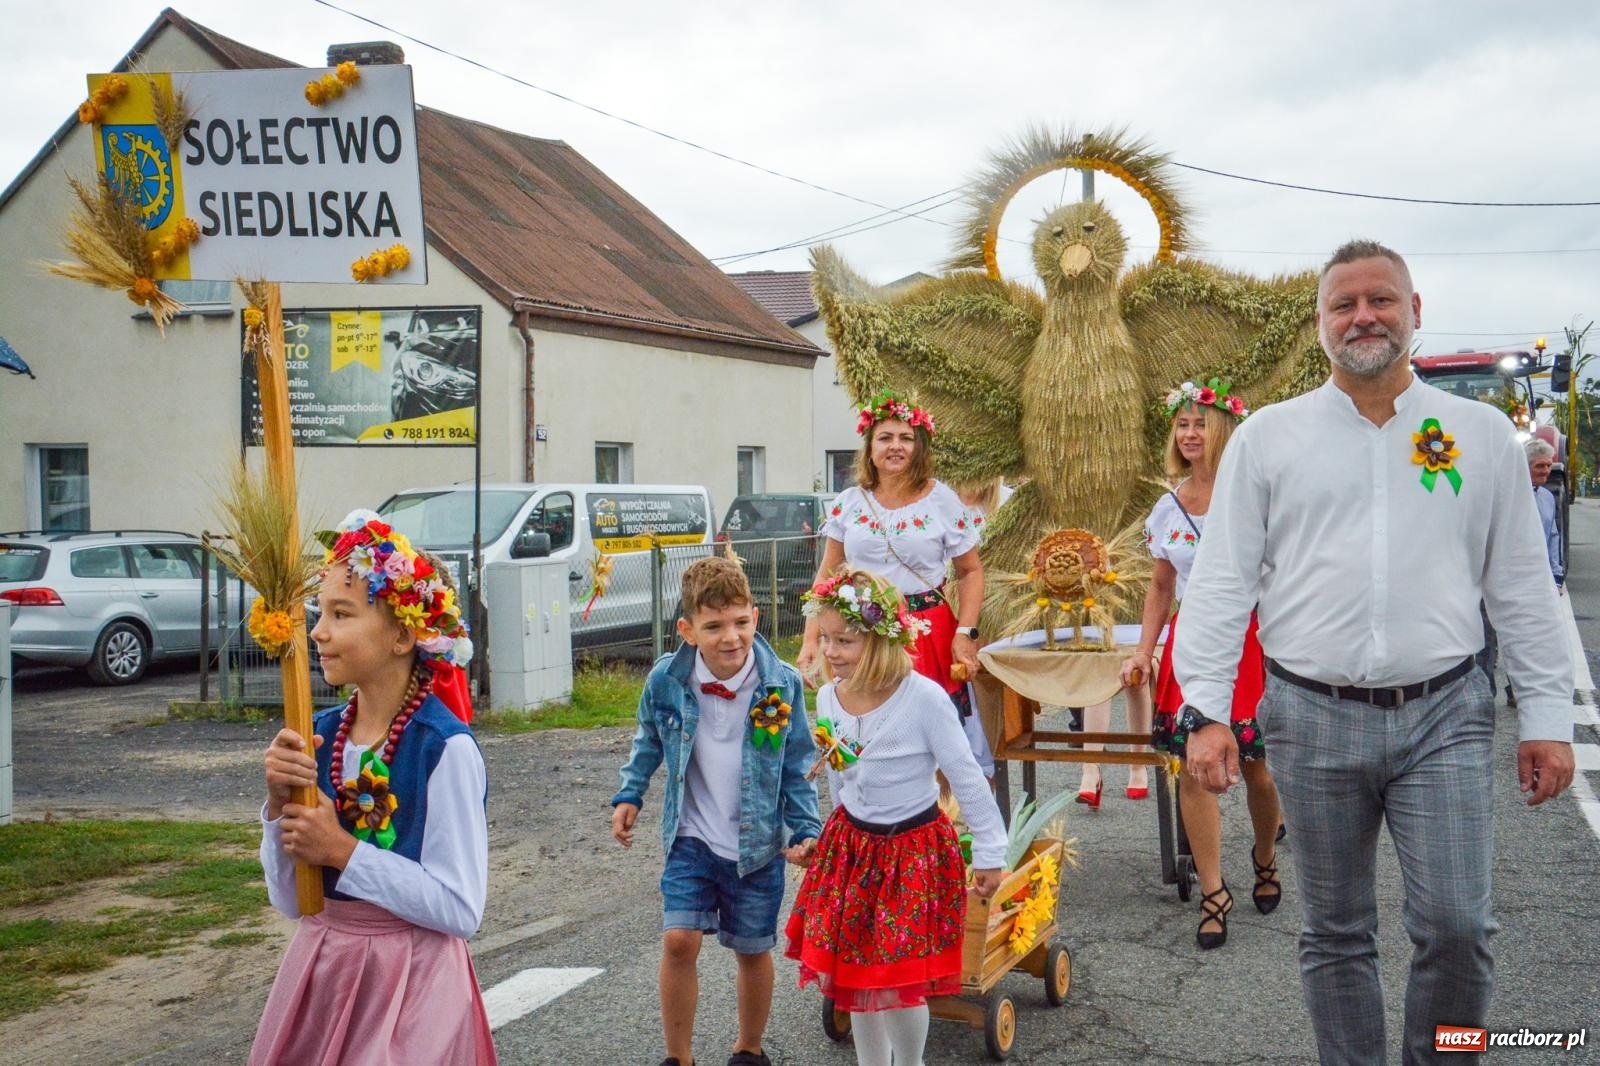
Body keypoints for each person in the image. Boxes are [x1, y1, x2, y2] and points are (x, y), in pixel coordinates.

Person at [1175, 239, 1575, 1065]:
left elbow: (1523, 590)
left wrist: (1547, 716)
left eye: (1381, 300)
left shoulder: (1481, 437)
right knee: (1335, 931)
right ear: (1321, 324)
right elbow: (1219, 586)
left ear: (1415, 312)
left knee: (1459, 927)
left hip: (1446, 713)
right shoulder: (1268, 440)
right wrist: (1205, 712)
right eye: (1344, 304)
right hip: (1310, 717)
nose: (1364, 316)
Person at [252, 509, 495, 1065]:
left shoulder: (443, 748)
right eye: (320, 612)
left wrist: (342, 849)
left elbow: (461, 909)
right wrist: (278, 806)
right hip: (325, 969)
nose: (318, 630)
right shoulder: (320, 734)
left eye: (341, 614)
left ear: (404, 633)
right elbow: (291, 900)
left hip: (411, 982)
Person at [785, 566, 1007, 1066]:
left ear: (882, 640)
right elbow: (842, 776)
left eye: (846, 641)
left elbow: (967, 777)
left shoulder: (923, 698)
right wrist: (827, 835)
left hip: (912, 852)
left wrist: (991, 852)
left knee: (900, 979)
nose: (832, 652)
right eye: (825, 640)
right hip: (855, 850)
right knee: (856, 974)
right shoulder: (827, 698)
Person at [611, 556, 822, 1066]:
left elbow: (797, 763)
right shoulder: (666, 679)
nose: (730, 637)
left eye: (741, 623)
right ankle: (677, 1056)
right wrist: (630, 794)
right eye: (713, 626)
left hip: (757, 845)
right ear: (687, 630)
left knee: (752, 948)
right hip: (693, 836)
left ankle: (748, 1048)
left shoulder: (781, 683)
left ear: (755, 615)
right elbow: (648, 740)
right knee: (679, 939)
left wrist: (807, 828)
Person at [1117, 380, 1281, 947]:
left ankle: (1264, 855)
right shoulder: (1167, 508)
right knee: (1193, 765)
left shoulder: (1256, 491)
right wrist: (1144, 650)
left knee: (1257, 764)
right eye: (1182, 425)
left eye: (1200, 424)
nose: (1190, 434)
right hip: (1193, 639)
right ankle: (1214, 890)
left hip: (1253, 637)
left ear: (1224, 430)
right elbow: (1161, 587)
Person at [798, 390, 993, 778]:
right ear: (870, 448)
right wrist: (811, 637)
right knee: (867, 739)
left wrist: (965, 632)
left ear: (918, 448)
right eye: (885, 437)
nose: (896, 446)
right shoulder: (850, 502)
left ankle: (949, 828)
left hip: (926, 631)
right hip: (863, 635)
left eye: (905, 438)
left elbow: (971, 571)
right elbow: (827, 575)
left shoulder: (942, 501)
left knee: (938, 738)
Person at [1526, 437, 1564, 592]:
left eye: (1548, 465)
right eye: (1539, 466)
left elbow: (1553, 537)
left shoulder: (1547, 497)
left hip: (1540, 577)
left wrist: (1556, 577)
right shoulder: (1509, 496)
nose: (1546, 471)